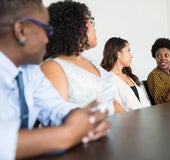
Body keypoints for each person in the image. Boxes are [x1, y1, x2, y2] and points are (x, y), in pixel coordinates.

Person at [0, 0, 110, 159]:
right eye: (46, 29)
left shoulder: (30, 71)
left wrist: (81, 119)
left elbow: (56, 107)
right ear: (21, 30)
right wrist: (70, 133)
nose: (48, 39)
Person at [41, 1, 124, 115]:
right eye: (90, 21)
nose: (94, 28)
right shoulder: (52, 67)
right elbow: (57, 120)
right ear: (74, 26)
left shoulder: (92, 62)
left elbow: (113, 103)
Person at [100, 37, 151, 111]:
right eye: (128, 51)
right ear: (118, 54)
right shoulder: (108, 80)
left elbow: (146, 103)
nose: (131, 56)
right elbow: (117, 110)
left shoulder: (130, 77)